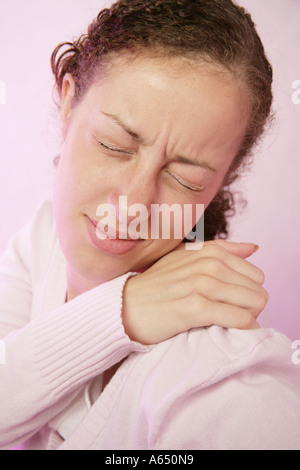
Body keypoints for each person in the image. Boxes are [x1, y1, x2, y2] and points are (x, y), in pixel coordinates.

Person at [0, 0, 299, 451]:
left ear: (221, 182)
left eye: (185, 178)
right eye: (113, 144)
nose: (133, 203)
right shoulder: (43, 239)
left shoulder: (224, 380)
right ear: (67, 102)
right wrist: (122, 313)